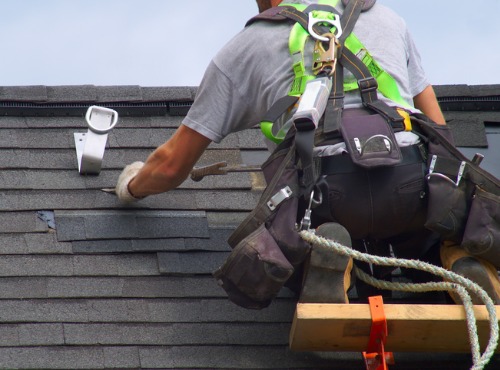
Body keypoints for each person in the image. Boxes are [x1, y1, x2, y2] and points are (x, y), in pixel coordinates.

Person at [115, 0, 500, 305]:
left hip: (326, 195)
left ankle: (327, 263)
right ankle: (455, 259)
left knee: (292, 239)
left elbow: (170, 165)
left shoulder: (247, 46)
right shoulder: (387, 19)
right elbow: (441, 136)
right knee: (434, 228)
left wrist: (131, 187)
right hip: (412, 185)